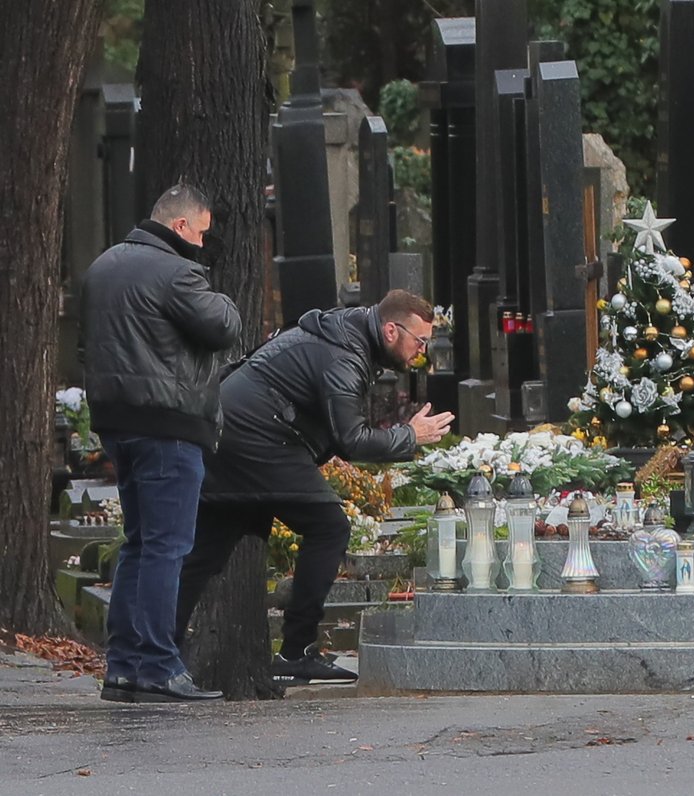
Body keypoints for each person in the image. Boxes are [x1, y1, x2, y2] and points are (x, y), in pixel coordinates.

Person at [175, 289, 454, 685]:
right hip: (256, 438)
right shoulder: (345, 354)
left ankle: (152, 655)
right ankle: (296, 649)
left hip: (234, 434)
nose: (421, 351)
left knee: (206, 551)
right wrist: (410, 435)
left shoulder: (347, 336)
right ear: (391, 330)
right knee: (329, 526)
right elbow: (352, 440)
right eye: (419, 340)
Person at [81, 184, 242, 703]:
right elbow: (222, 327)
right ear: (180, 227)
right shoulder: (178, 272)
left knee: (139, 543)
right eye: (200, 232)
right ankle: (157, 665)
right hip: (168, 424)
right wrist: (214, 284)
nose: (203, 242)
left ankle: (122, 667)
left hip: (117, 421)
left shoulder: (103, 265)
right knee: (167, 548)